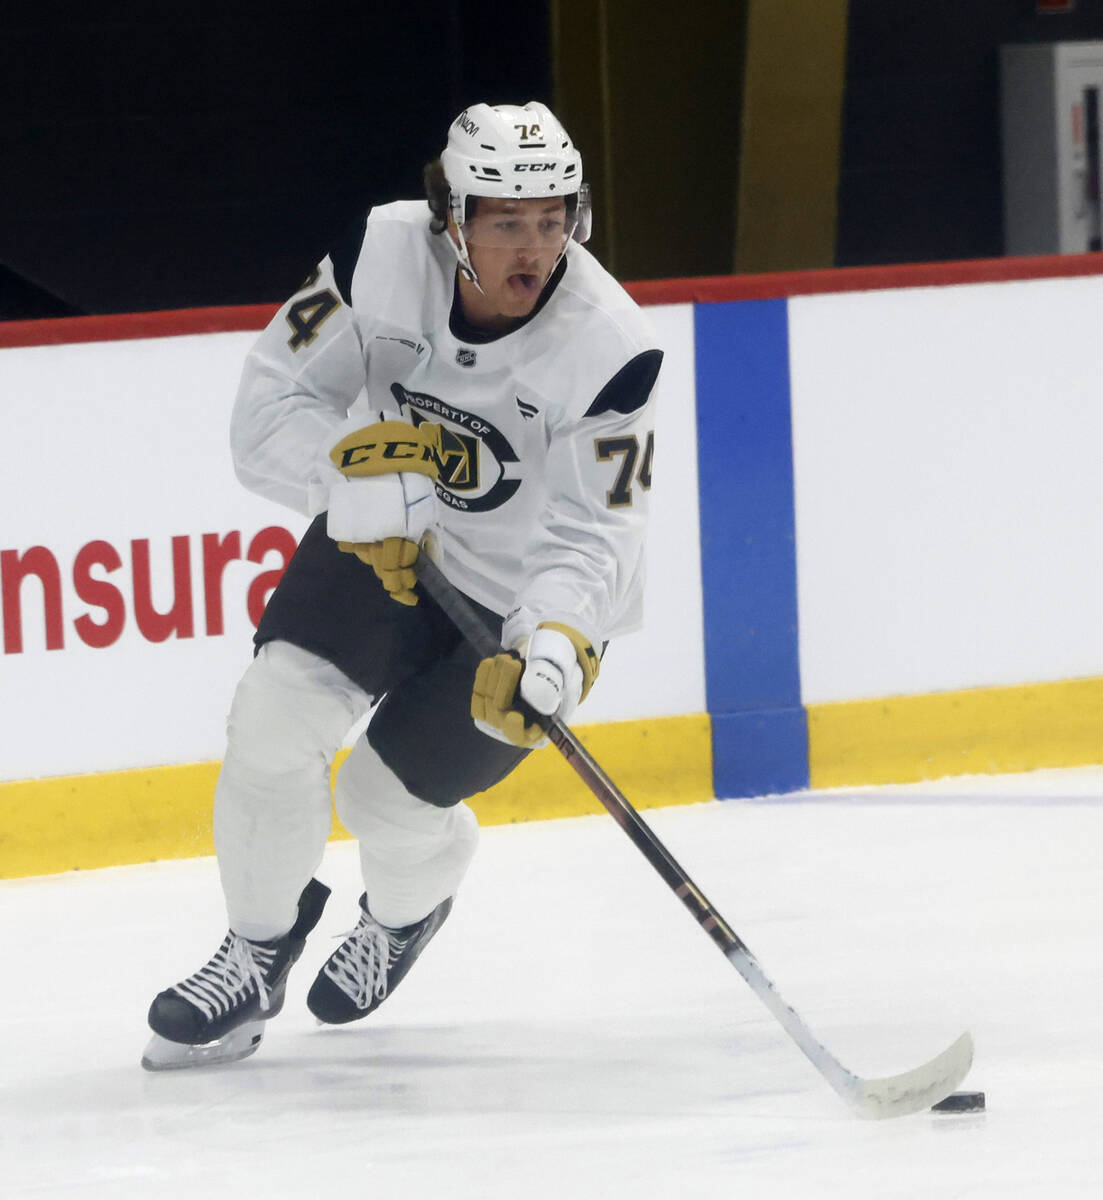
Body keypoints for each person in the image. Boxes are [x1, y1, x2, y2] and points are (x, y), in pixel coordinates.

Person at [142, 101, 663, 1070]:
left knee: (385, 801)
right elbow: (267, 414)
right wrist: (355, 480)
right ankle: (254, 955)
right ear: (450, 219)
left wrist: (554, 646)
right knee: (273, 719)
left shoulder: (611, 348)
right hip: (382, 538)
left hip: (513, 606)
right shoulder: (375, 255)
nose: (533, 248)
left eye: (553, 220)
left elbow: (599, 533)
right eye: (506, 222)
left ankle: (410, 906)